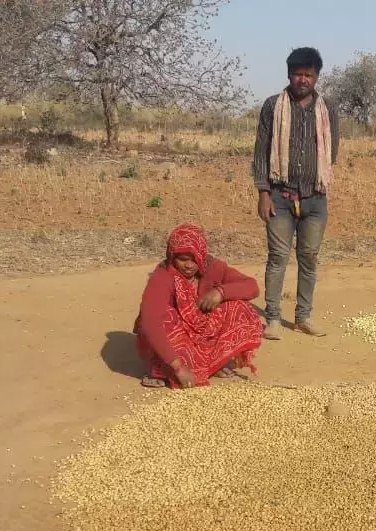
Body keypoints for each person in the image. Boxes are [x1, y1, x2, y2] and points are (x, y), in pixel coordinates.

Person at [252, 46, 340, 340]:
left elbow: (332, 151)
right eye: (297, 74)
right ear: (289, 75)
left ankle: (303, 316)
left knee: (309, 257)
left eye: (309, 75)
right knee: (277, 257)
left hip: (315, 198)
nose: (303, 80)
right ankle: (273, 318)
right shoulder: (271, 106)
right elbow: (262, 152)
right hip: (280, 196)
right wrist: (263, 192)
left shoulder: (328, 109)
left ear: (317, 77)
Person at [133, 224, 264, 389]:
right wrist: (178, 367)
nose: (189, 265)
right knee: (167, 317)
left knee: (238, 307)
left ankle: (213, 364)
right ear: (172, 256)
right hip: (175, 336)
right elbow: (150, 323)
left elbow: (251, 286)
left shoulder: (213, 268)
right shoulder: (162, 276)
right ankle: (161, 369)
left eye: (194, 259)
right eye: (183, 259)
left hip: (200, 332)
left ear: (202, 256)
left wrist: (220, 292)